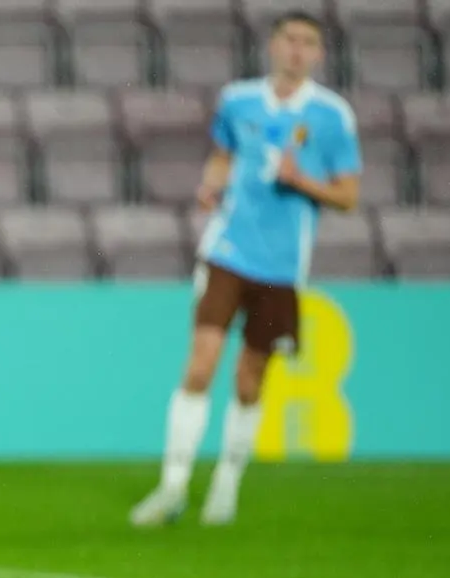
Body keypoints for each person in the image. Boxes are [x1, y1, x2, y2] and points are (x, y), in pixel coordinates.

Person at [130, 10, 361, 527]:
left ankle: (226, 486)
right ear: (274, 46)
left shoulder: (332, 116)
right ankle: (172, 486)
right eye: (290, 40)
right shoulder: (238, 100)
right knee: (200, 364)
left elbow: (348, 195)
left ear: (319, 54)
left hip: (281, 269)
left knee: (250, 379)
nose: (298, 50)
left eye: (308, 42)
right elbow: (223, 154)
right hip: (227, 253)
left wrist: (302, 181)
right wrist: (211, 184)